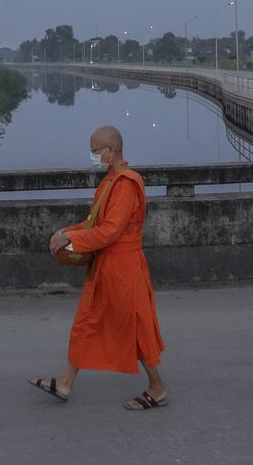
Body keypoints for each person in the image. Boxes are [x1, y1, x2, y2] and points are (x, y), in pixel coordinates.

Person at [30, 125, 168, 411]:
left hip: (123, 267)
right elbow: (93, 223)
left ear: (112, 151)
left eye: (96, 150)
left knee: (134, 326)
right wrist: (66, 232)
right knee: (88, 321)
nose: (93, 155)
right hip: (106, 265)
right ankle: (66, 381)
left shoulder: (127, 183)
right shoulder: (110, 181)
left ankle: (158, 387)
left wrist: (72, 238)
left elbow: (110, 232)